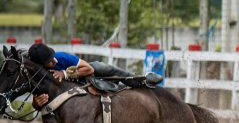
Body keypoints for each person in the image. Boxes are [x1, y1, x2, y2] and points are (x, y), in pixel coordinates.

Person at [27, 42, 158, 109]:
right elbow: (37, 98)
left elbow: (88, 69)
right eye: (50, 62)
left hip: (85, 73)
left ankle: (139, 80)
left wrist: (65, 73)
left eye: (52, 56)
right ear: (41, 65)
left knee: (104, 68)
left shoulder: (61, 57)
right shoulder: (39, 73)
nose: (54, 61)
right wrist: (35, 104)